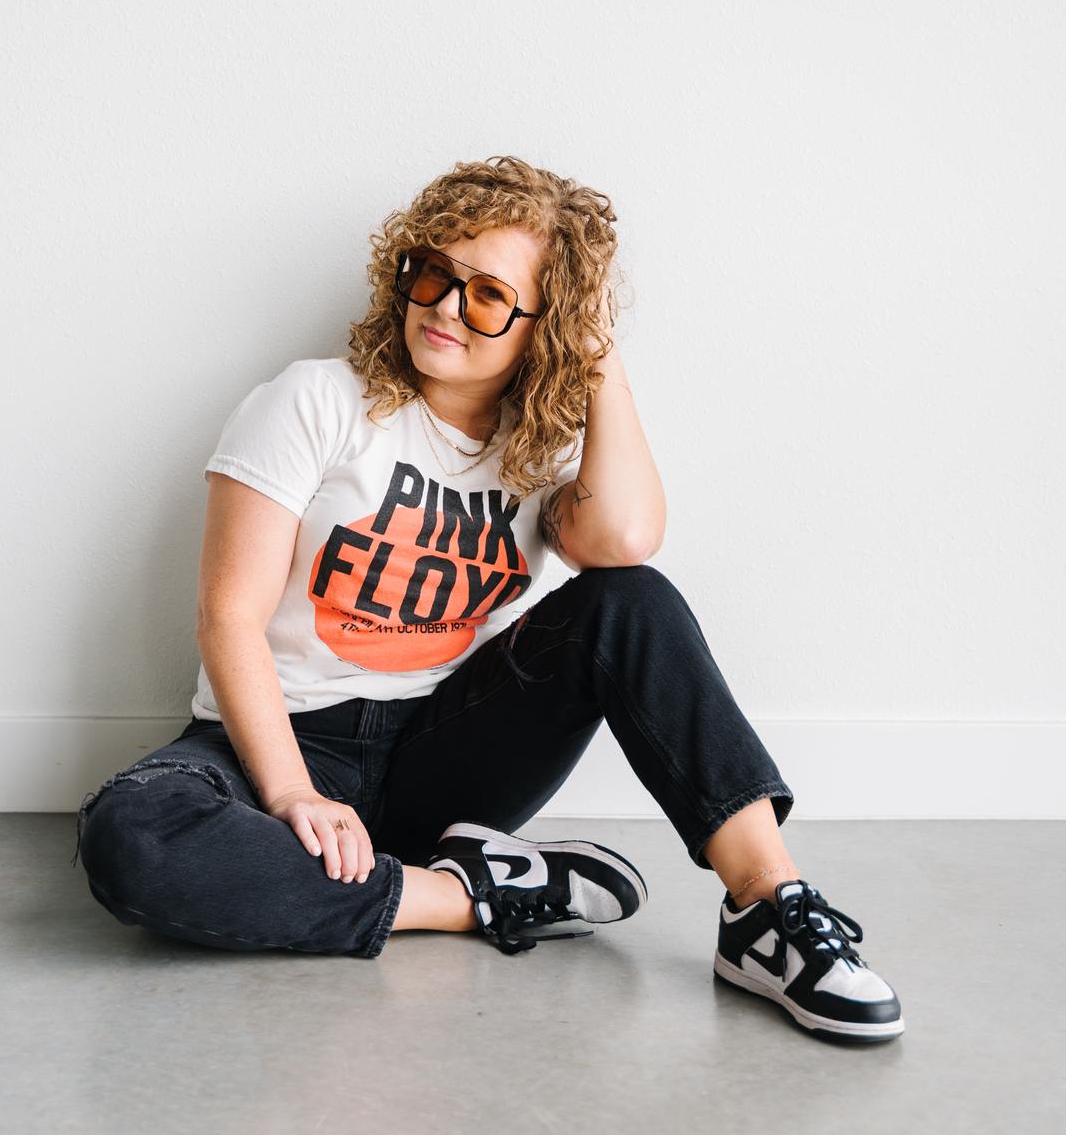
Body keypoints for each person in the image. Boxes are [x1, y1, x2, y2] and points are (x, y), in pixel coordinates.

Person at [76, 157, 903, 1041]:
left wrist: (598, 360)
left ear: (548, 325)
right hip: (278, 743)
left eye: (488, 296)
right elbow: (227, 617)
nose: (443, 306)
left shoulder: (537, 457)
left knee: (633, 601)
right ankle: (475, 893)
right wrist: (290, 796)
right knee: (134, 836)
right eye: (434, 273)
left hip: (445, 747)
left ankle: (766, 911)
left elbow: (622, 544)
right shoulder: (315, 401)